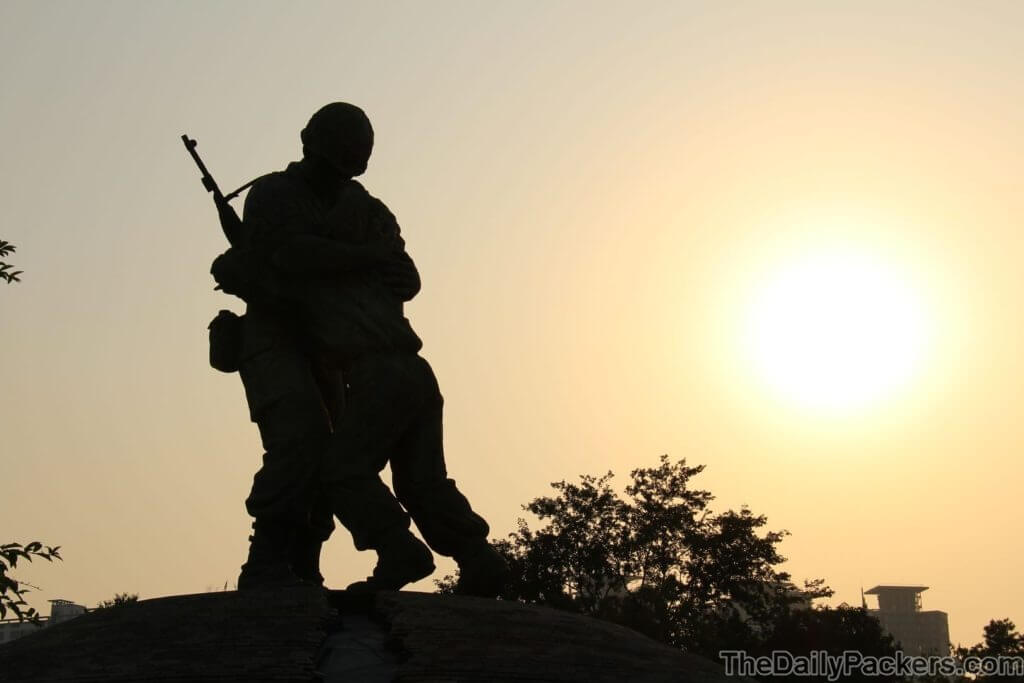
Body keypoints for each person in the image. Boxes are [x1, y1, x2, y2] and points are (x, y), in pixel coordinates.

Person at [241, 102, 508, 595]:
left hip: (376, 371)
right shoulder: (281, 197)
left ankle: (400, 551)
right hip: (404, 369)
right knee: (422, 481)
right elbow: (293, 257)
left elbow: (397, 274)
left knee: (341, 470)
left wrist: (354, 259)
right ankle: (479, 558)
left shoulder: (361, 219)